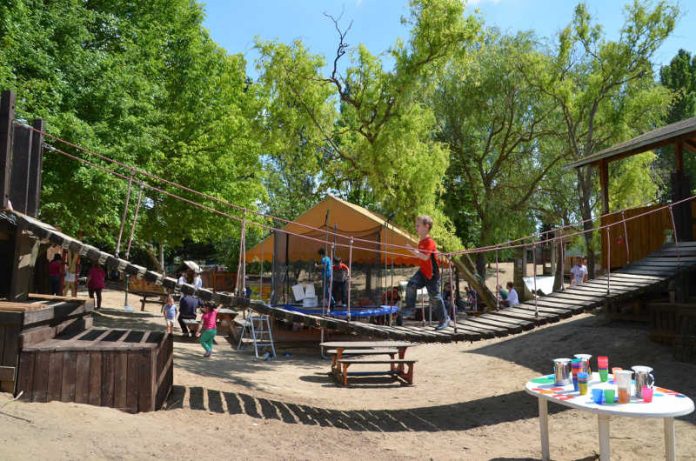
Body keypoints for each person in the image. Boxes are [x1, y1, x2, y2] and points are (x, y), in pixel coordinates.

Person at [406, 215, 450, 331]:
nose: (416, 228)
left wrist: (413, 251)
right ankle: (410, 308)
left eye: (418, 226)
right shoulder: (421, 242)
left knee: (434, 297)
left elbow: (425, 257)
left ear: (426, 227)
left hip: (432, 274)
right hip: (423, 271)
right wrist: (414, 251)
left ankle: (444, 319)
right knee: (411, 285)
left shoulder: (430, 242)